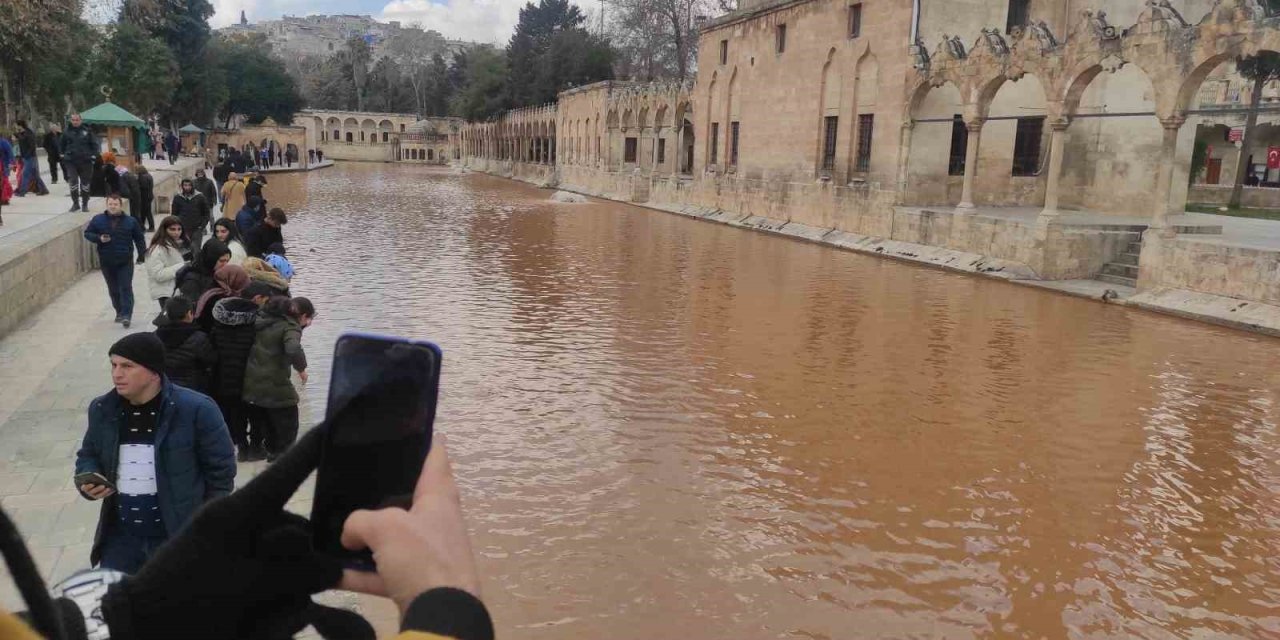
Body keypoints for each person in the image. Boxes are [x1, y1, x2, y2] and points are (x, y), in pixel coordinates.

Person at [74, 332, 236, 574]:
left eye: (127, 366)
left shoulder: (198, 409)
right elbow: (88, 455)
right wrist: (88, 477)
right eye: (114, 365)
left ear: (153, 371)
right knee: (118, 608)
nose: (117, 374)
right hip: (121, 541)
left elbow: (221, 474)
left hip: (177, 537)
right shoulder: (101, 409)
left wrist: (204, 527)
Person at [210, 281, 274, 461]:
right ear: (257, 298)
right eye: (266, 300)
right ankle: (256, 448)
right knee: (257, 413)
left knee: (235, 413)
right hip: (251, 376)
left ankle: (243, 449)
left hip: (226, 377)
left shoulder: (220, 319)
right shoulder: (258, 321)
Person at [243, 296, 309, 461]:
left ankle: (260, 450)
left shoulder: (261, 321)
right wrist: (301, 369)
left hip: (252, 381)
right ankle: (283, 456)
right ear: (300, 315)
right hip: (274, 381)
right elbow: (293, 348)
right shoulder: (290, 326)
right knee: (289, 416)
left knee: (264, 416)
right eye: (308, 318)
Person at [83, 194, 146, 327]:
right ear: (107, 205)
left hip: (125, 260)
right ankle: (119, 311)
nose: (113, 206)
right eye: (110, 204)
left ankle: (127, 315)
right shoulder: (98, 219)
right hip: (106, 260)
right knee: (113, 289)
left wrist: (142, 255)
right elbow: (88, 233)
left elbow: (139, 239)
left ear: (120, 205)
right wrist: (99, 238)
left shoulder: (131, 221)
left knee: (125, 287)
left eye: (115, 204)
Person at [154, 296, 218, 395]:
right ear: (189, 314)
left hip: (163, 387)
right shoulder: (199, 338)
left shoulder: (155, 336)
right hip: (193, 388)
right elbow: (211, 360)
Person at [145, 216, 189, 310]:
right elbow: (158, 275)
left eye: (179, 229)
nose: (176, 232)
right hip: (166, 293)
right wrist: (182, 266)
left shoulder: (184, 244)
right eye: (172, 229)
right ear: (164, 230)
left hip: (181, 290)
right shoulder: (157, 249)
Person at [194, 264, 250, 332]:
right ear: (233, 280)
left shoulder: (212, 291)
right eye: (241, 282)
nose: (243, 286)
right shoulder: (218, 299)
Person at [61, 113, 98, 212]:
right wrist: (62, 155)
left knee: (85, 184)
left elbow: (94, 145)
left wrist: (93, 156)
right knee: (73, 182)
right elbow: (61, 145)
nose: (75, 122)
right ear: (71, 121)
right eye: (73, 120)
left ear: (80, 120)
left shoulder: (87, 131)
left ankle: (85, 204)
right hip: (71, 161)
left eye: (77, 120)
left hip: (86, 161)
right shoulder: (66, 132)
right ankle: (75, 203)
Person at [171, 178, 211, 249]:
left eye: (189, 185)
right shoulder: (178, 197)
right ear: (182, 186)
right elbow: (174, 214)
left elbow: (206, 213)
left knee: (195, 250)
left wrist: (202, 226)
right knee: (184, 250)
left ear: (192, 186)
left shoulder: (200, 197)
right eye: (185, 185)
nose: (187, 187)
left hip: (196, 229)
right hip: (182, 229)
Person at [13, 120, 48, 197]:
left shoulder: (29, 133)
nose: (15, 127)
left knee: (25, 174)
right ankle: (43, 190)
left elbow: (32, 146)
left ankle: (22, 192)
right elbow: (21, 139)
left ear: (20, 125)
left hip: (30, 157)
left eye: (16, 125)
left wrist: (27, 155)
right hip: (26, 157)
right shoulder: (22, 134)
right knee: (35, 175)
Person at [121, 166, 145, 230]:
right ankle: (141, 228)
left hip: (133, 198)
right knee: (137, 214)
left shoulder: (124, 177)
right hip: (137, 196)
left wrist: (128, 197)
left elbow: (125, 190)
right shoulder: (131, 176)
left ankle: (140, 228)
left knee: (134, 214)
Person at [137, 165, 155, 231]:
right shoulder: (149, 175)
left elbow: (143, 186)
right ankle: (148, 226)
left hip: (145, 197)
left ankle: (148, 227)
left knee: (145, 212)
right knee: (147, 212)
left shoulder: (142, 177)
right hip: (149, 196)